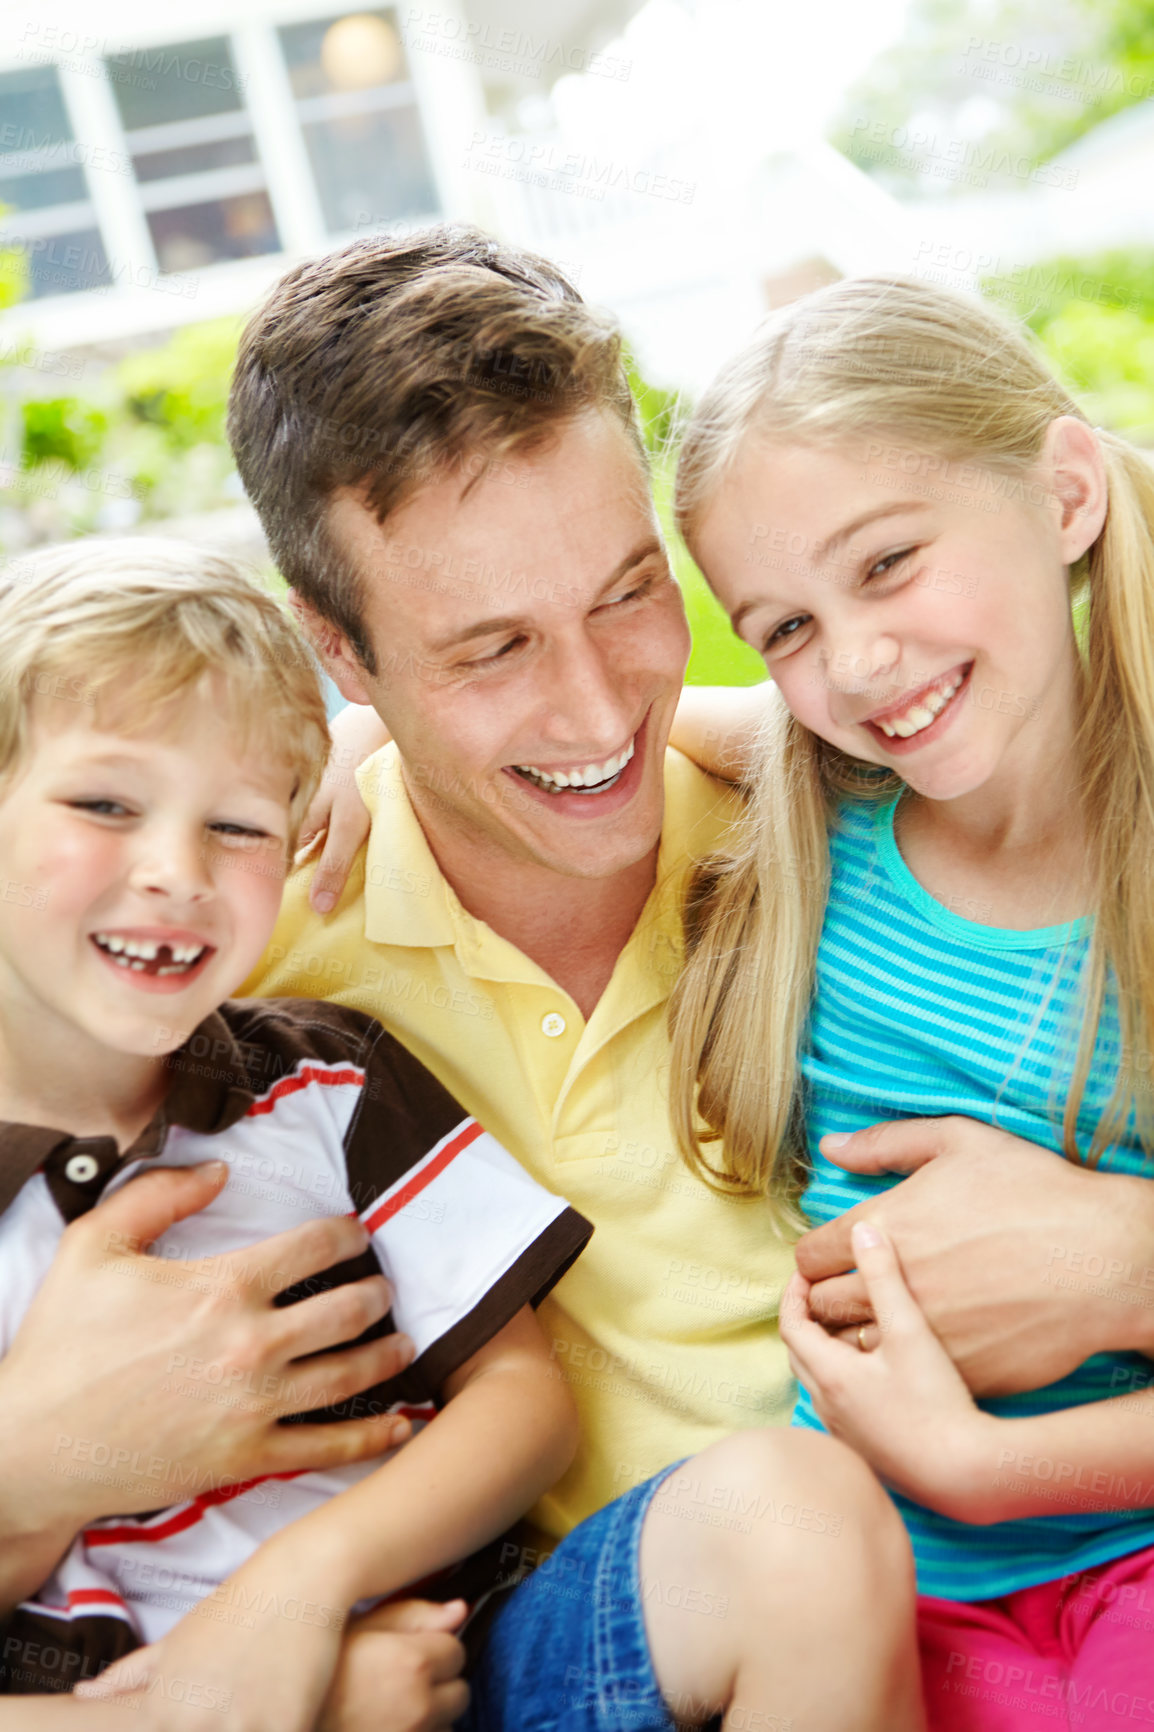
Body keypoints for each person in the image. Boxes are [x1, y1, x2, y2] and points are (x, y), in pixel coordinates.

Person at [668, 273, 1154, 1726]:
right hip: (880, 1593)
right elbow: (601, 743)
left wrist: (985, 1467)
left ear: (1064, 493)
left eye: (886, 564)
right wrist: (352, 756)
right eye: (785, 627)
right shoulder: (819, 809)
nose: (859, 663)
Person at [0, 537, 592, 1728]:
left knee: (782, 1518)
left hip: (429, 1643)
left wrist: (299, 1593)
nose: (175, 870)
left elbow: (522, 1404)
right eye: (105, 802)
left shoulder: (325, 1078)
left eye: (237, 826)